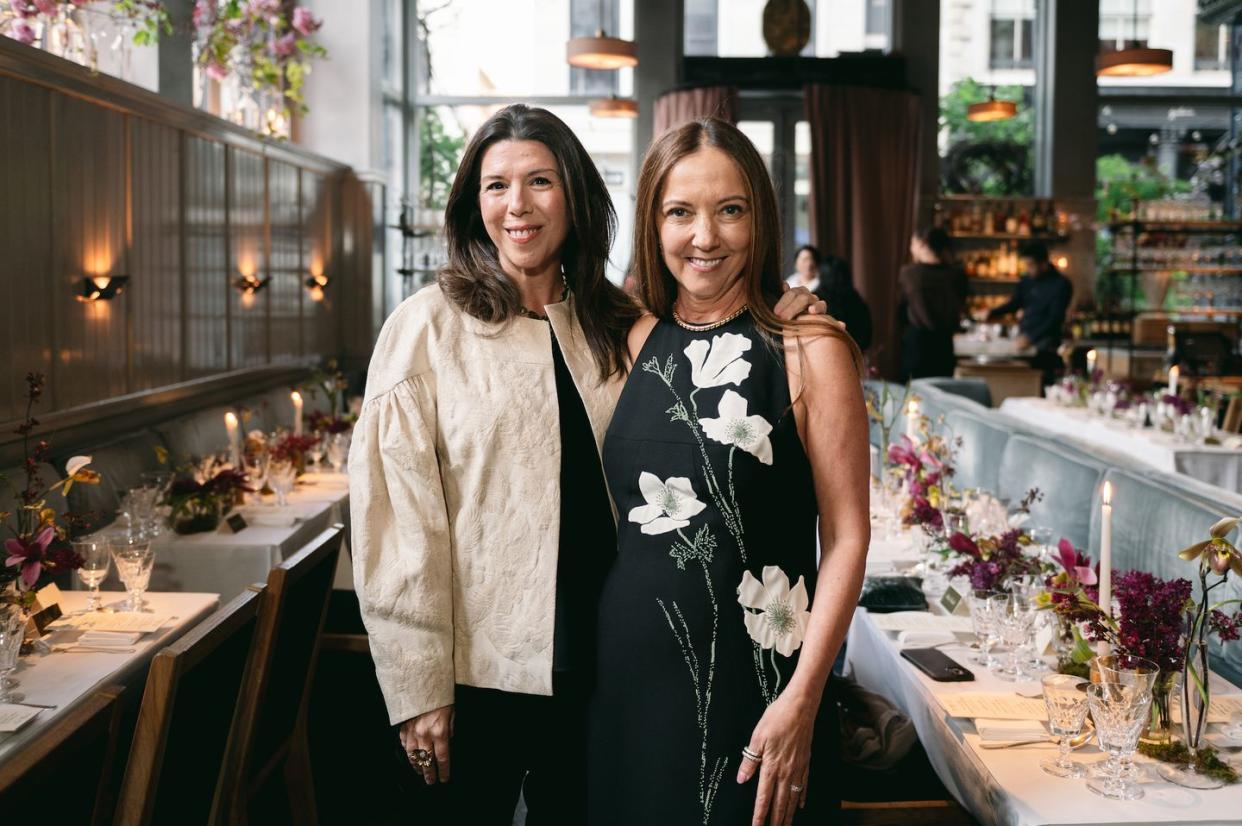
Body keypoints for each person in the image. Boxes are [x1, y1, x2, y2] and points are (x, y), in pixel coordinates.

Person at [348, 104, 827, 825]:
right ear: (473, 205)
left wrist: (792, 313)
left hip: (604, 677)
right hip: (478, 675)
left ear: (573, 195)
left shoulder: (617, 325)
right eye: (496, 185)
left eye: (539, 181)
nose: (518, 205)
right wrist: (418, 689)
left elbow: (717, 343)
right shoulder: (427, 328)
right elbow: (397, 526)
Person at [589, 119, 870, 826]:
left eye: (730, 210)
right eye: (680, 212)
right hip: (622, 689)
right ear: (653, 224)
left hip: (760, 691)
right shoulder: (631, 338)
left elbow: (846, 539)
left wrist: (805, 698)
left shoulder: (810, 349)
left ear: (761, 219)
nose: (705, 237)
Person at [984, 240, 1073, 385]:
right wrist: (991, 312)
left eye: (1031, 265)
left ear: (1044, 263)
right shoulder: (1027, 280)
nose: (1027, 269)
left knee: (1042, 384)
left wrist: (1031, 338)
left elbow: (1055, 318)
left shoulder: (1061, 284)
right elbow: (1014, 303)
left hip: (1047, 344)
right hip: (1024, 338)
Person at [897, 227, 967, 381]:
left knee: (913, 399)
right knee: (941, 397)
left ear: (922, 244)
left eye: (913, 243)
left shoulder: (910, 273)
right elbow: (961, 306)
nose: (911, 248)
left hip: (917, 345)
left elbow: (901, 312)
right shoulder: (957, 274)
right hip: (944, 345)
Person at [787, 245, 872, 353]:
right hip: (855, 354)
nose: (808, 264)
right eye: (804, 260)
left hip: (827, 354)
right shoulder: (858, 300)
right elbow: (867, 335)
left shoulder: (816, 300)